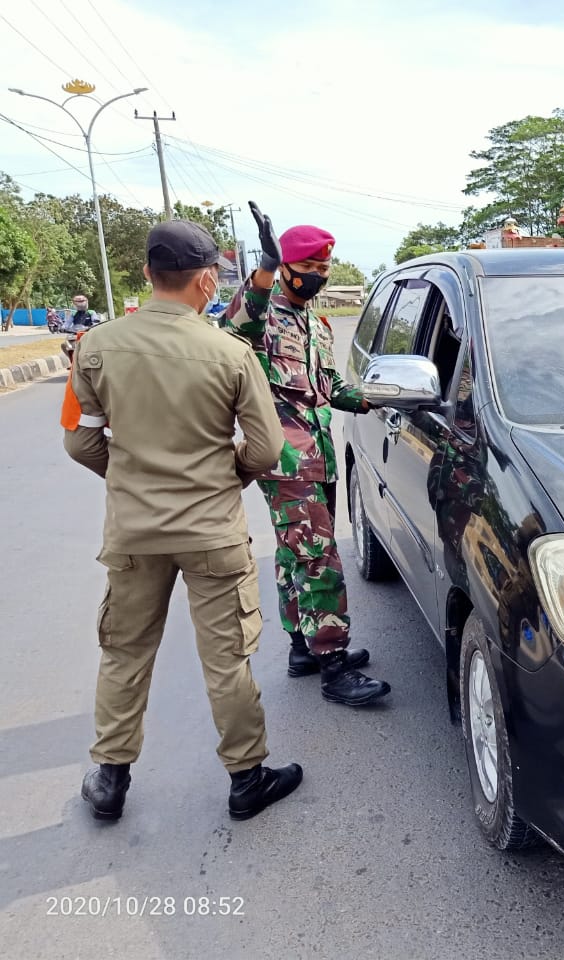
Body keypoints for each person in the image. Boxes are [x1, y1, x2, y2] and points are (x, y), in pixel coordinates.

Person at [63, 219, 302, 822]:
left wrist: (130, 478)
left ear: (147, 273)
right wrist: (225, 478)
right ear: (204, 280)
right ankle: (247, 779)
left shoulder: (94, 347)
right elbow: (267, 449)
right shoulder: (232, 352)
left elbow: (78, 442)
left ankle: (111, 779)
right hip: (213, 533)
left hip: (134, 535)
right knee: (227, 659)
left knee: (124, 651)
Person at [225, 202, 390, 707]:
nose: (317, 277)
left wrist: (370, 398)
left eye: (324, 270)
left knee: (295, 555)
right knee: (319, 558)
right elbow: (235, 330)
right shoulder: (263, 314)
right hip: (285, 459)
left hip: (318, 454)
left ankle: (302, 646)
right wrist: (264, 272)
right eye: (309, 269)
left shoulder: (315, 324)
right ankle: (334, 665)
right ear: (286, 268)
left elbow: (329, 384)